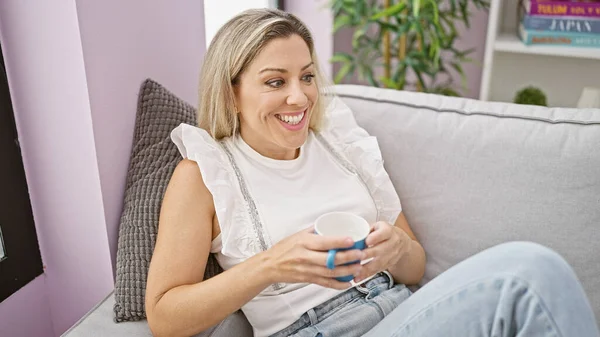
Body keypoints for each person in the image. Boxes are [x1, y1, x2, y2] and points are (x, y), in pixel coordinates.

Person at [144, 8, 600, 337]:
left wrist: (397, 249)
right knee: (528, 271)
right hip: (321, 329)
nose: (300, 98)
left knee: (531, 281)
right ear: (230, 92)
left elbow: (414, 264)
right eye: (275, 82)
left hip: (403, 308)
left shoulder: (339, 140)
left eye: (306, 77)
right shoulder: (204, 173)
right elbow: (165, 316)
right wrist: (271, 265)